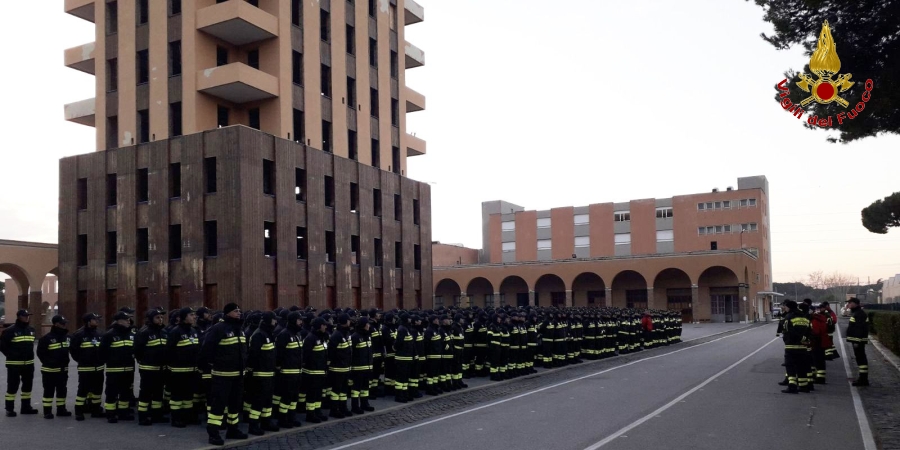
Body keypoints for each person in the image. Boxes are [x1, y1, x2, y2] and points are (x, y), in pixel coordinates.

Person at [201, 303, 249, 446]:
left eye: (240, 310)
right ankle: (213, 433)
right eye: (236, 311)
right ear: (227, 313)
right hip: (223, 375)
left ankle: (233, 429)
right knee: (219, 405)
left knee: (235, 405)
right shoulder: (218, 329)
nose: (239, 313)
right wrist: (208, 365)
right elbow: (207, 349)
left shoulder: (240, 329)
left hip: (238, 375)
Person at [99, 310, 137, 422]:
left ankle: (123, 413)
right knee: (111, 392)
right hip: (114, 370)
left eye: (129, 319)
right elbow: (102, 352)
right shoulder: (109, 335)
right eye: (126, 320)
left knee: (125, 393)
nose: (128, 321)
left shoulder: (131, 335)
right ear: (119, 321)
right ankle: (110, 413)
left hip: (128, 369)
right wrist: (111, 361)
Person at [167, 307, 201, 428]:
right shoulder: (176, 332)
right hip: (178, 370)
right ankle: (176, 418)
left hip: (192, 370)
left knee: (188, 396)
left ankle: (187, 417)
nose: (194, 317)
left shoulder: (193, 331)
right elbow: (169, 350)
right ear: (184, 317)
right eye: (191, 315)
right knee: (177, 396)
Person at [1, 309, 39, 417]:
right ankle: (9, 409)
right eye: (25, 316)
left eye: (28, 316)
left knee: (27, 387)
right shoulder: (10, 331)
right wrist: (12, 355)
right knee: (12, 387)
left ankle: (26, 407)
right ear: (19, 317)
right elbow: (3, 346)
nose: (27, 318)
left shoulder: (31, 330)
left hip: (28, 364)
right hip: (14, 364)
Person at [247, 311, 279, 435]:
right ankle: (253, 424)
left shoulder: (268, 333)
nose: (276, 322)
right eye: (274, 320)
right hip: (260, 375)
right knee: (258, 401)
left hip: (269, 373)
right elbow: (253, 355)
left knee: (267, 401)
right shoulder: (258, 335)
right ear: (269, 320)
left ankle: (266, 422)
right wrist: (252, 372)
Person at [134, 308, 167, 426]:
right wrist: (145, 360)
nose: (161, 319)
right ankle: (143, 417)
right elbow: (138, 350)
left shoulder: (164, 331)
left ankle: (156, 415)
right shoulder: (144, 332)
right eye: (157, 317)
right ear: (150, 319)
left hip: (160, 368)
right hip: (148, 368)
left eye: (161, 317)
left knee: (158, 393)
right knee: (146, 393)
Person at [37, 314, 72, 419]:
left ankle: (61, 409)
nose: (65, 325)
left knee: (62, 390)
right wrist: (50, 362)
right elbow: (40, 353)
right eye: (63, 323)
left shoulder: (67, 337)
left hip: (63, 370)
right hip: (49, 370)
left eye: (65, 323)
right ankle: (47, 411)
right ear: (56, 324)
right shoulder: (46, 338)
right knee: (49, 391)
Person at [70, 313, 105, 420]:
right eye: (95, 319)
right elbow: (73, 351)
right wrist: (82, 360)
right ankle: (79, 411)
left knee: (97, 391)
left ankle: (95, 409)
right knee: (83, 390)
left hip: (98, 368)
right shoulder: (79, 335)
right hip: (85, 368)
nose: (97, 321)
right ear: (88, 321)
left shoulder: (100, 333)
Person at [274, 311, 303, 429]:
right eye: (299, 320)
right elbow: (279, 353)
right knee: (286, 397)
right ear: (293, 321)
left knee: (294, 397)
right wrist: (280, 367)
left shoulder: (297, 334)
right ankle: (282, 419)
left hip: (297, 372)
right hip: (287, 373)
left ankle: (292, 417)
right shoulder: (284, 334)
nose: (301, 322)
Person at [780, 300, 811, 394]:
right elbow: (809, 331)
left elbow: (786, 331)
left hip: (791, 346)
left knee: (790, 367)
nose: (785, 308)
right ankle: (804, 386)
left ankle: (792, 386)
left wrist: (787, 340)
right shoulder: (804, 317)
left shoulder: (788, 317)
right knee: (802, 366)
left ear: (789, 307)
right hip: (803, 346)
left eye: (786, 307)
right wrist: (804, 340)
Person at [302, 317, 329, 423]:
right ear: (319, 326)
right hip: (312, 372)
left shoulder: (322, 337)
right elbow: (306, 356)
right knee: (312, 395)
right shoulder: (310, 338)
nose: (326, 326)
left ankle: (317, 411)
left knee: (318, 394)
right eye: (324, 325)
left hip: (320, 371)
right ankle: (310, 414)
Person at [350, 317, 375, 414]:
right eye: (367, 324)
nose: (369, 325)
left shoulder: (368, 336)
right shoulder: (355, 337)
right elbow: (352, 353)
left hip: (367, 367)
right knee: (356, 389)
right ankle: (355, 406)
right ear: (363, 325)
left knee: (365, 387)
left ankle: (365, 404)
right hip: (358, 368)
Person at [845, 298, 869, 386]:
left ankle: (863, 379)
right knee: (859, 359)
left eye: (850, 303)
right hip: (856, 340)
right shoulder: (856, 313)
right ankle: (862, 378)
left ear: (855, 304)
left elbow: (859, 328)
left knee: (861, 359)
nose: (848, 304)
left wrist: (857, 341)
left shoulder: (859, 314)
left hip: (858, 341)